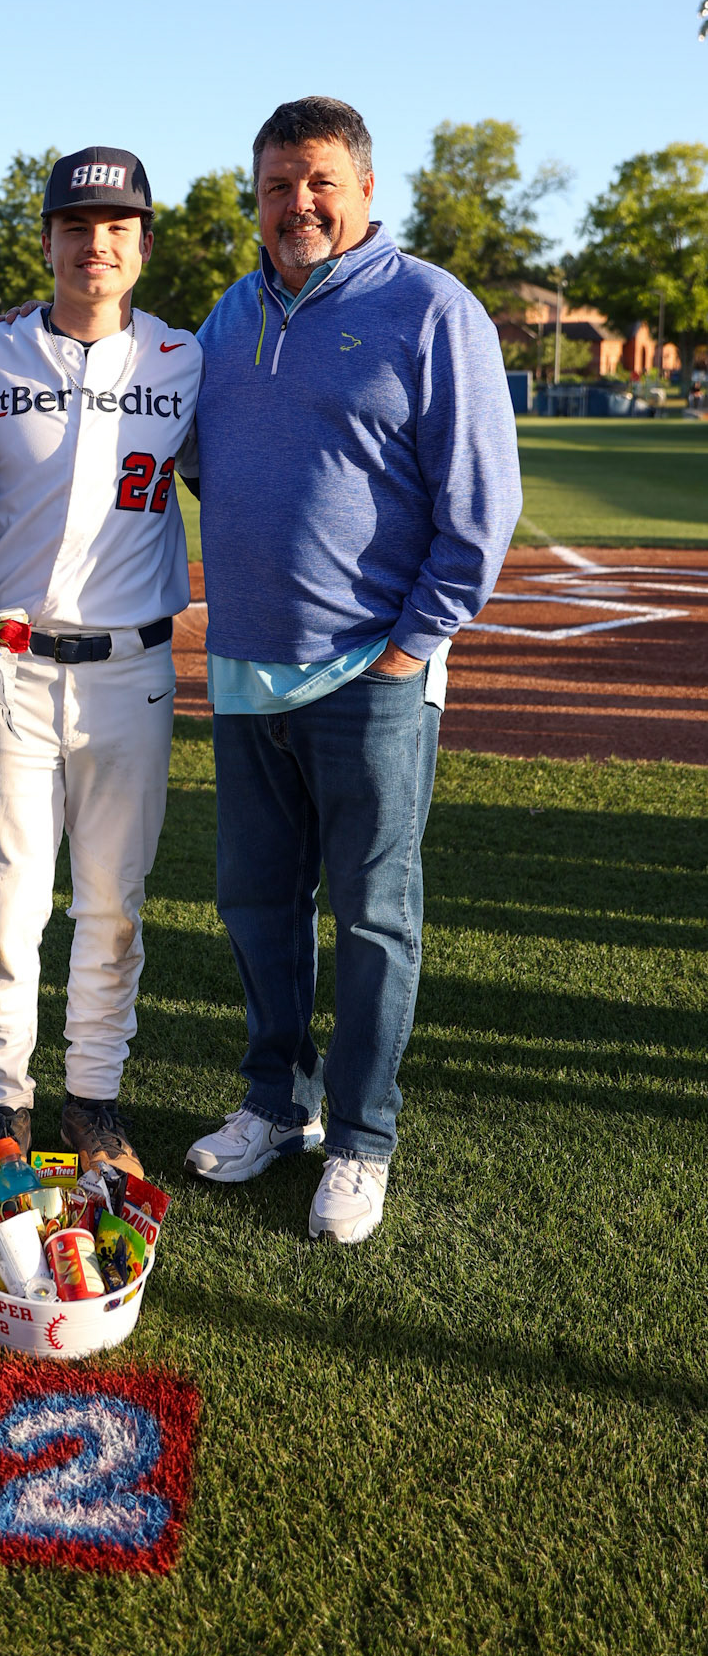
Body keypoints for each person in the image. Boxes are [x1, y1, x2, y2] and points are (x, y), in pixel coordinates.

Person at [183, 97, 521, 1244]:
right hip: (244, 672)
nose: (298, 203)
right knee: (256, 903)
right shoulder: (228, 318)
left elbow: (481, 507)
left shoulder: (432, 309)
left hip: (371, 674)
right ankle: (277, 1101)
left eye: (320, 180)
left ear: (367, 191)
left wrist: (414, 640)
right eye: (277, 184)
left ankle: (363, 1135)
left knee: (374, 914)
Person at [0, 147, 202, 1180]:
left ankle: (94, 1097)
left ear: (142, 247)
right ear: (46, 240)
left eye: (119, 228)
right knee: (5, 901)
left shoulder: (186, 358)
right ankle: (3, 1099)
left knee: (113, 900)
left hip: (131, 670)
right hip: (9, 667)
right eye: (78, 226)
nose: (98, 244)